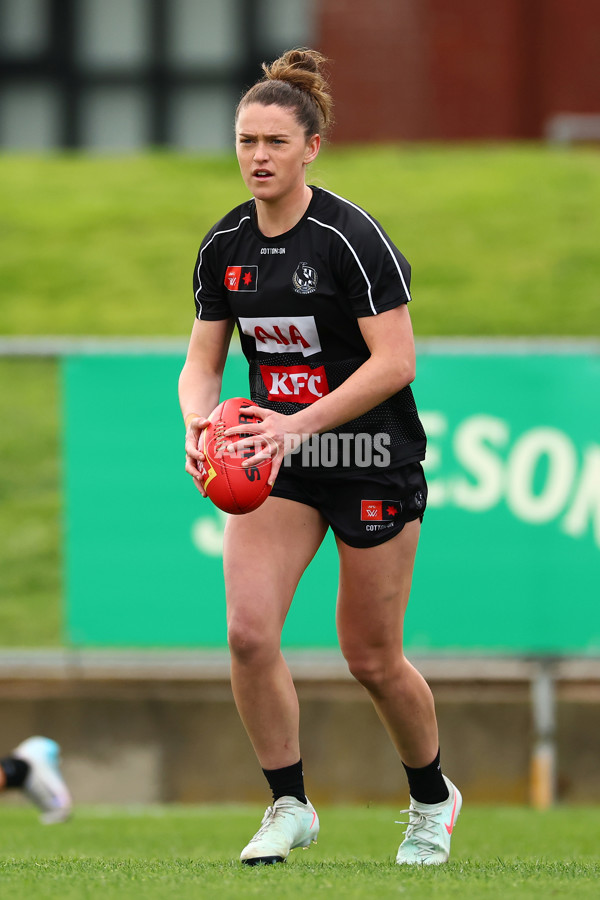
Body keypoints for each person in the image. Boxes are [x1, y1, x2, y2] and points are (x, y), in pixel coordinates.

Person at [180, 48, 461, 866]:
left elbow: (395, 363)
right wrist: (199, 421)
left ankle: (431, 801)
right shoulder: (224, 244)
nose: (257, 156)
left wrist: (295, 425)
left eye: (273, 141)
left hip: (371, 452)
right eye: (244, 141)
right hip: (284, 461)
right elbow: (202, 362)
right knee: (246, 632)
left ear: (310, 147)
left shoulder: (349, 236)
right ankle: (289, 804)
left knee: (371, 657)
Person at [0, 736, 72, 823]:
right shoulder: (36, 760)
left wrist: (64, 802)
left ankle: (57, 812)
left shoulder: (35, 759)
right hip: (26, 775)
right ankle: (57, 812)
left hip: (27, 774)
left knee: (53, 806)